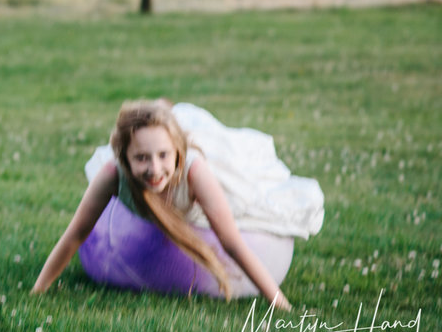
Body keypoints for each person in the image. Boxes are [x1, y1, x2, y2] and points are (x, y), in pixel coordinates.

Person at [32, 99, 324, 311]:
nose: (154, 169)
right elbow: (76, 234)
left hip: (205, 186)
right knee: (159, 124)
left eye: (162, 155)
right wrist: (38, 290)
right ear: (125, 157)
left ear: (176, 155)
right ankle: (163, 106)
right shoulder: (112, 174)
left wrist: (280, 305)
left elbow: (231, 242)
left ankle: (168, 109)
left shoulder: (195, 171)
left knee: (256, 194)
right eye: (141, 158)